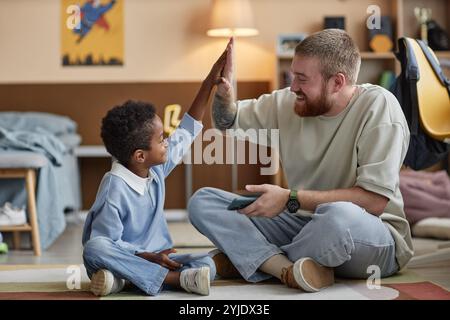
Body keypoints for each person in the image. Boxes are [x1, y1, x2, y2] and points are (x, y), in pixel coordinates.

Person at [188, 29, 414, 293]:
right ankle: (285, 268)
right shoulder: (288, 102)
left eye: (302, 79)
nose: (293, 86)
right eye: (293, 75)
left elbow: (375, 201)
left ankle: (251, 259)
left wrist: (290, 198)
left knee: (338, 216)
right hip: (302, 224)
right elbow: (228, 122)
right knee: (204, 202)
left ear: (337, 83)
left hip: (370, 235)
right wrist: (224, 95)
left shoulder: (379, 107)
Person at [81, 39, 232, 296]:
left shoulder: (155, 169)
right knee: (95, 249)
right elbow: (107, 243)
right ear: (140, 156)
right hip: (127, 257)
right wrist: (145, 256)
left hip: (159, 256)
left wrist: (209, 81)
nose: (167, 143)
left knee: (207, 261)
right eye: (161, 140)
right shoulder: (113, 189)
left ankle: (122, 281)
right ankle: (172, 280)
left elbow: (188, 128)